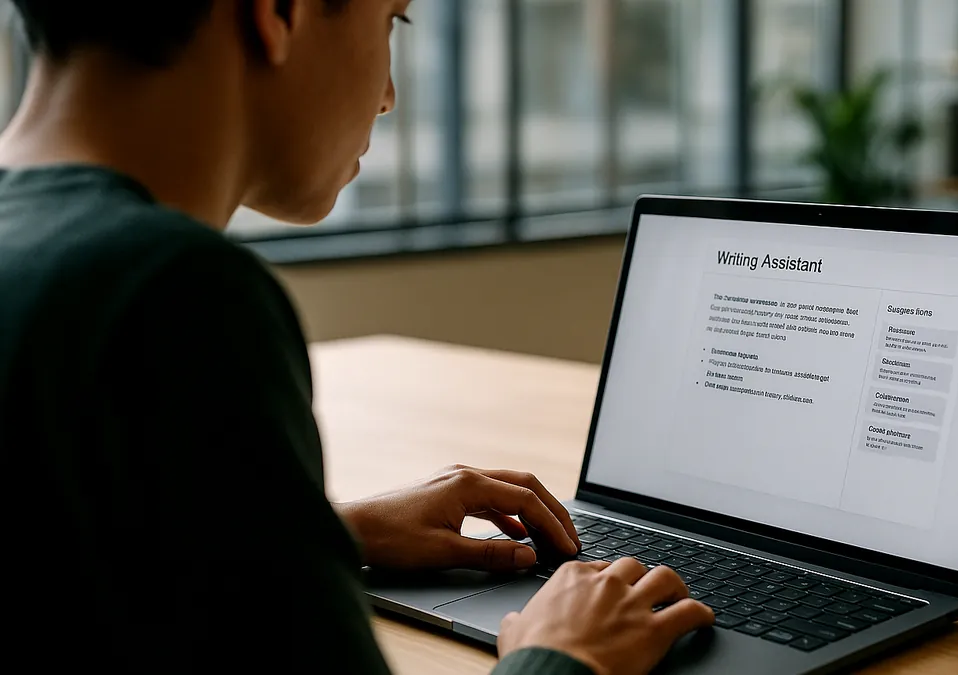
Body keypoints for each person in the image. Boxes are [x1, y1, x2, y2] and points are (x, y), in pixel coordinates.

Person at [0, 1, 714, 674]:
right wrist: (564, 654)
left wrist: (315, 531)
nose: (389, 95)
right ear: (279, 11)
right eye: (391, 21)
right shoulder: (170, 292)